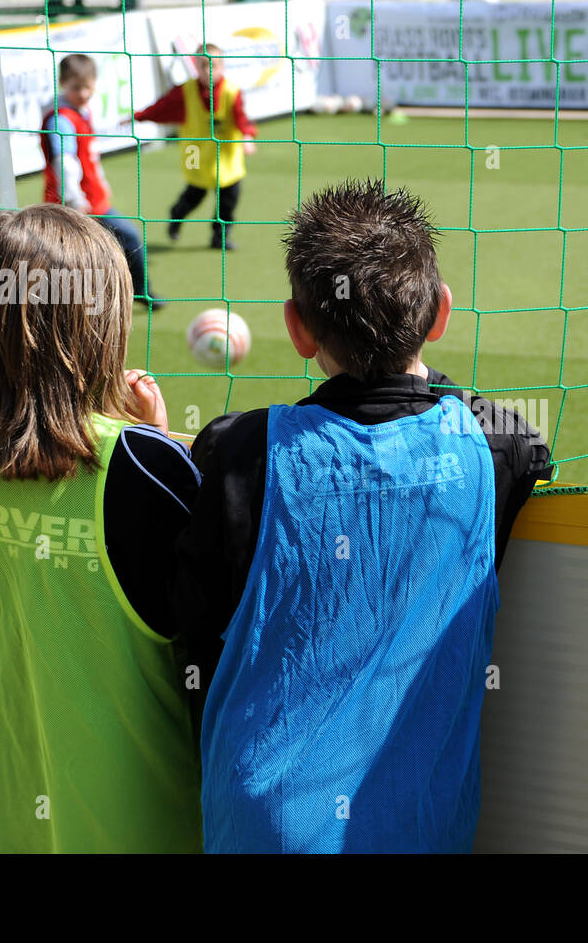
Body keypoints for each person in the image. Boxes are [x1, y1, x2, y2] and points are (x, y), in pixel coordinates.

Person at [174, 179, 553, 852]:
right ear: (440, 314)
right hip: (421, 826)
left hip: (262, 822)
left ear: (296, 328)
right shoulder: (499, 445)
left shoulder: (237, 451)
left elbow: (191, 637)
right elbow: (487, 422)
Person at [0, 204, 202, 852]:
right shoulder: (139, 467)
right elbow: (205, 634)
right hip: (139, 825)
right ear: (103, 323)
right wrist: (153, 440)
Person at [42, 53, 164, 310]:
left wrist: (100, 184)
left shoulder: (80, 112)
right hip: (74, 205)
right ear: (63, 83)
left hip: (92, 199)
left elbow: (88, 157)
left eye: (88, 87)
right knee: (82, 257)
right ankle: (79, 306)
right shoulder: (61, 119)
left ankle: (136, 292)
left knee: (120, 243)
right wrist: (75, 199)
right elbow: (64, 162)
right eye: (77, 88)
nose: (84, 93)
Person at [134, 43, 257, 251]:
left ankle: (220, 237)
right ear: (196, 68)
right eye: (203, 65)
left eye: (214, 65)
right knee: (193, 196)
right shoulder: (185, 91)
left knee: (228, 202)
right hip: (196, 155)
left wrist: (247, 136)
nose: (209, 71)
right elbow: (162, 107)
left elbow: (241, 118)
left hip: (226, 156)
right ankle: (177, 216)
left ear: (223, 66)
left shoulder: (232, 92)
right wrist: (138, 116)